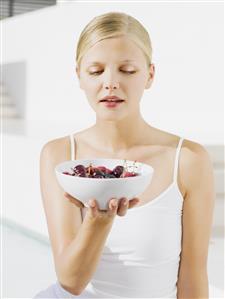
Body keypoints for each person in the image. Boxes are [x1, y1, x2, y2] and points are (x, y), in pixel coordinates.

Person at [34, 12, 215, 298]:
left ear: (150, 75)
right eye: (96, 71)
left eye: (127, 70)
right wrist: (99, 220)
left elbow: (193, 278)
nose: (110, 83)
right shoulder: (59, 156)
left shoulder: (189, 160)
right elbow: (71, 281)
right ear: (79, 76)